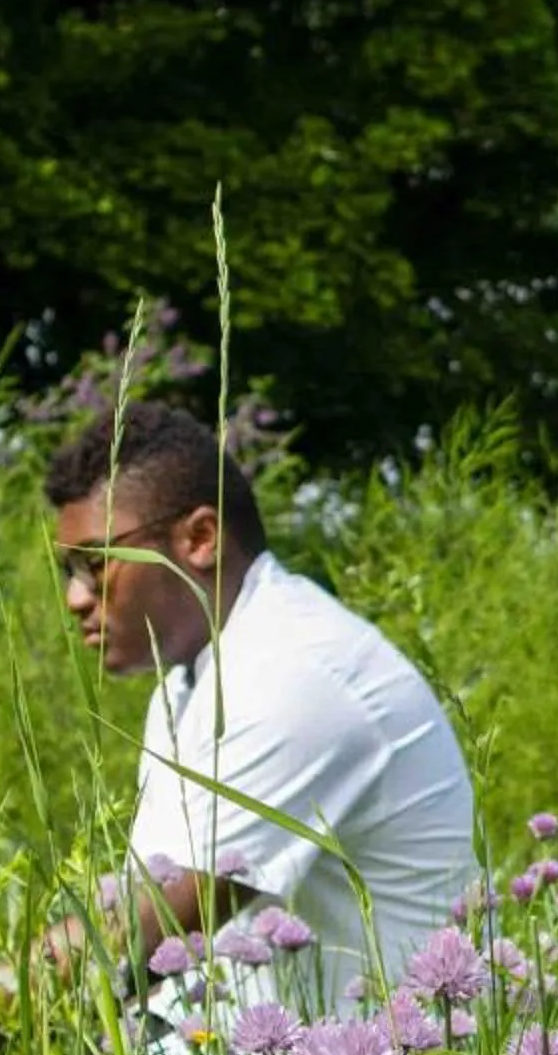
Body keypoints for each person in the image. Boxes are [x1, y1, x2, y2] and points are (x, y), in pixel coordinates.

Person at [38, 402, 479, 1018]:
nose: (75, 598)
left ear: (200, 538)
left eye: (94, 562)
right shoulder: (191, 678)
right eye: (67, 570)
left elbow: (136, 940)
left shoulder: (297, 674)